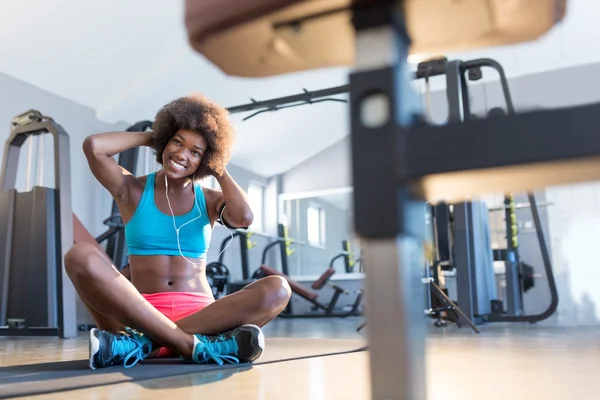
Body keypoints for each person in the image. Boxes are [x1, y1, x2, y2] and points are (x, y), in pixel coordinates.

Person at [65, 95, 292, 369]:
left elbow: (244, 217)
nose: (182, 155)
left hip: (204, 314)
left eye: (196, 152)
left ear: (204, 160)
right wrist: (155, 136)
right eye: (177, 142)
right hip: (140, 311)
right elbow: (94, 146)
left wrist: (219, 167)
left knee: (278, 288)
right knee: (80, 255)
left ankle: (145, 345)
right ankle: (190, 345)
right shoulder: (133, 190)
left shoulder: (208, 199)